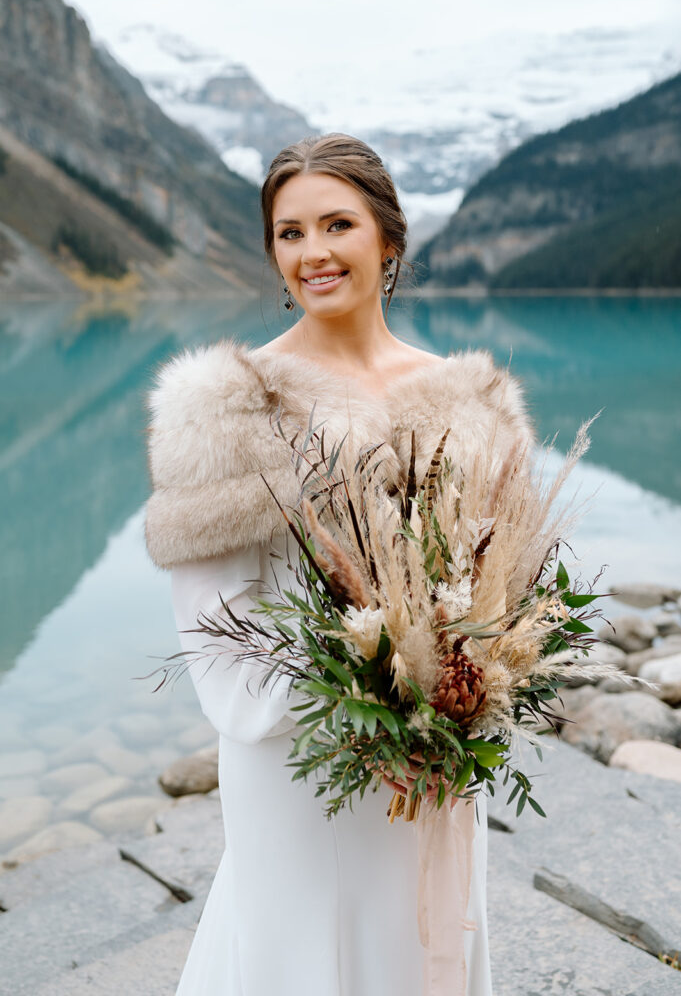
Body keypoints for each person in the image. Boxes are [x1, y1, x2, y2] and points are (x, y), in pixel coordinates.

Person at [144, 133, 535, 995]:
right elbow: (213, 629)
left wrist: (459, 698)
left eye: (336, 224)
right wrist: (378, 708)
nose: (312, 253)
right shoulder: (228, 406)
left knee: (423, 937)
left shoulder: (470, 399)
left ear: (387, 239)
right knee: (301, 951)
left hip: (435, 757)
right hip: (302, 762)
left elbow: (503, 586)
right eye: (289, 233)